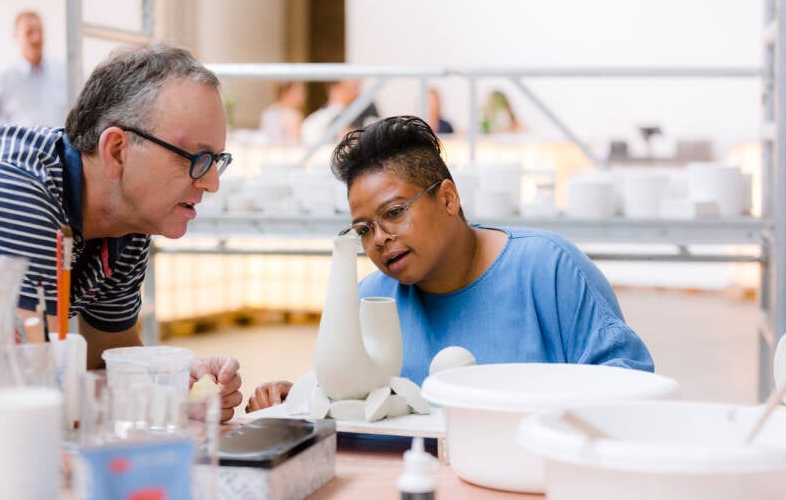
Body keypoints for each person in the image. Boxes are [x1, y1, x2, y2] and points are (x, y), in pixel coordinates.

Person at [246, 115, 653, 409]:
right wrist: (300, 398)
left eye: (394, 213)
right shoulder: (370, 300)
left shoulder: (548, 269)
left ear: (447, 198)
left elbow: (630, 385)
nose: (380, 239)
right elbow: (350, 402)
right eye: (363, 229)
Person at [0, 44, 251, 420]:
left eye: (216, 160)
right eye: (196, 159)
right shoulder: (19, 193)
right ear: (116, 151)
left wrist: (182, 380)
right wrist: (163, 395)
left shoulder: (125, 219)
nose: (211, 183)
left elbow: (107, 362)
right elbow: (32, 392)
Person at [0, 10, 67, 127]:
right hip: (16, 144)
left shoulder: (63, 73)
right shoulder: (1, 79)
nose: (36, 38)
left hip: (58, 143)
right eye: (29, 32)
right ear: (16, 36)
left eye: (40, 32)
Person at [300, 79, 379, 146]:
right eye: (353, 88)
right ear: (336, 88)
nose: (357, 93)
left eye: (358, 87)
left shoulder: (367, 111)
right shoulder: (315, 122)